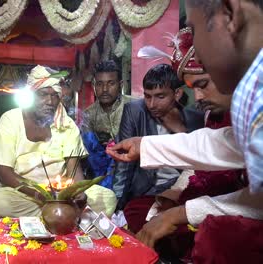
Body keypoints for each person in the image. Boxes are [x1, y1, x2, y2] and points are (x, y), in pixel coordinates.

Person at [107, 1, 263, 261]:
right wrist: (145, 146)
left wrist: (183, 212)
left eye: (193, 28)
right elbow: (225, 143)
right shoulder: (251, 92)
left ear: (229, 13)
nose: (196, 50)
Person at [124, 27, 244, 262]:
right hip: (207, 188)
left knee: (214, 236)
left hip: (233, 198)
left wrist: (180, 214)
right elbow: (207, 150)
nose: (198, 97)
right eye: (193, 88)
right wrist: (145, 147)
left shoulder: (250, 111)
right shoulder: (215, 112)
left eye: (203, 84)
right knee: (138, 208)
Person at [0, 65, 117, 222]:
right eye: (43, 95)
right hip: (24, 194)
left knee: (108, 198)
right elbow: (4, 173)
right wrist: (40, 195)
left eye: (55, 96)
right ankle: (63, 215)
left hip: (61, 195)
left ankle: (52, 215)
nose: (50, 101)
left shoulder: (65, 123)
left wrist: (79, 192)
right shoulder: (11, 119)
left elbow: (74, 171)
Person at [114, 63, 204, 209]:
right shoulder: (134, 111)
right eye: (147, 97)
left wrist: (180, 131)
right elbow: (123, 165)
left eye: (160, 96)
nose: (152, 104)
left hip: (180, 191)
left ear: (177, 94)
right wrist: (117, 205)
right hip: (144, 191)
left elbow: (198, 166)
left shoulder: (196, 119)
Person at [82, 60, 131, 142]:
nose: (105, 89)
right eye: (99, 84)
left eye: (111, 83)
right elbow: (88, 146)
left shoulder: (133, 106)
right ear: (94, 86)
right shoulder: (89, 114)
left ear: (121, 85)